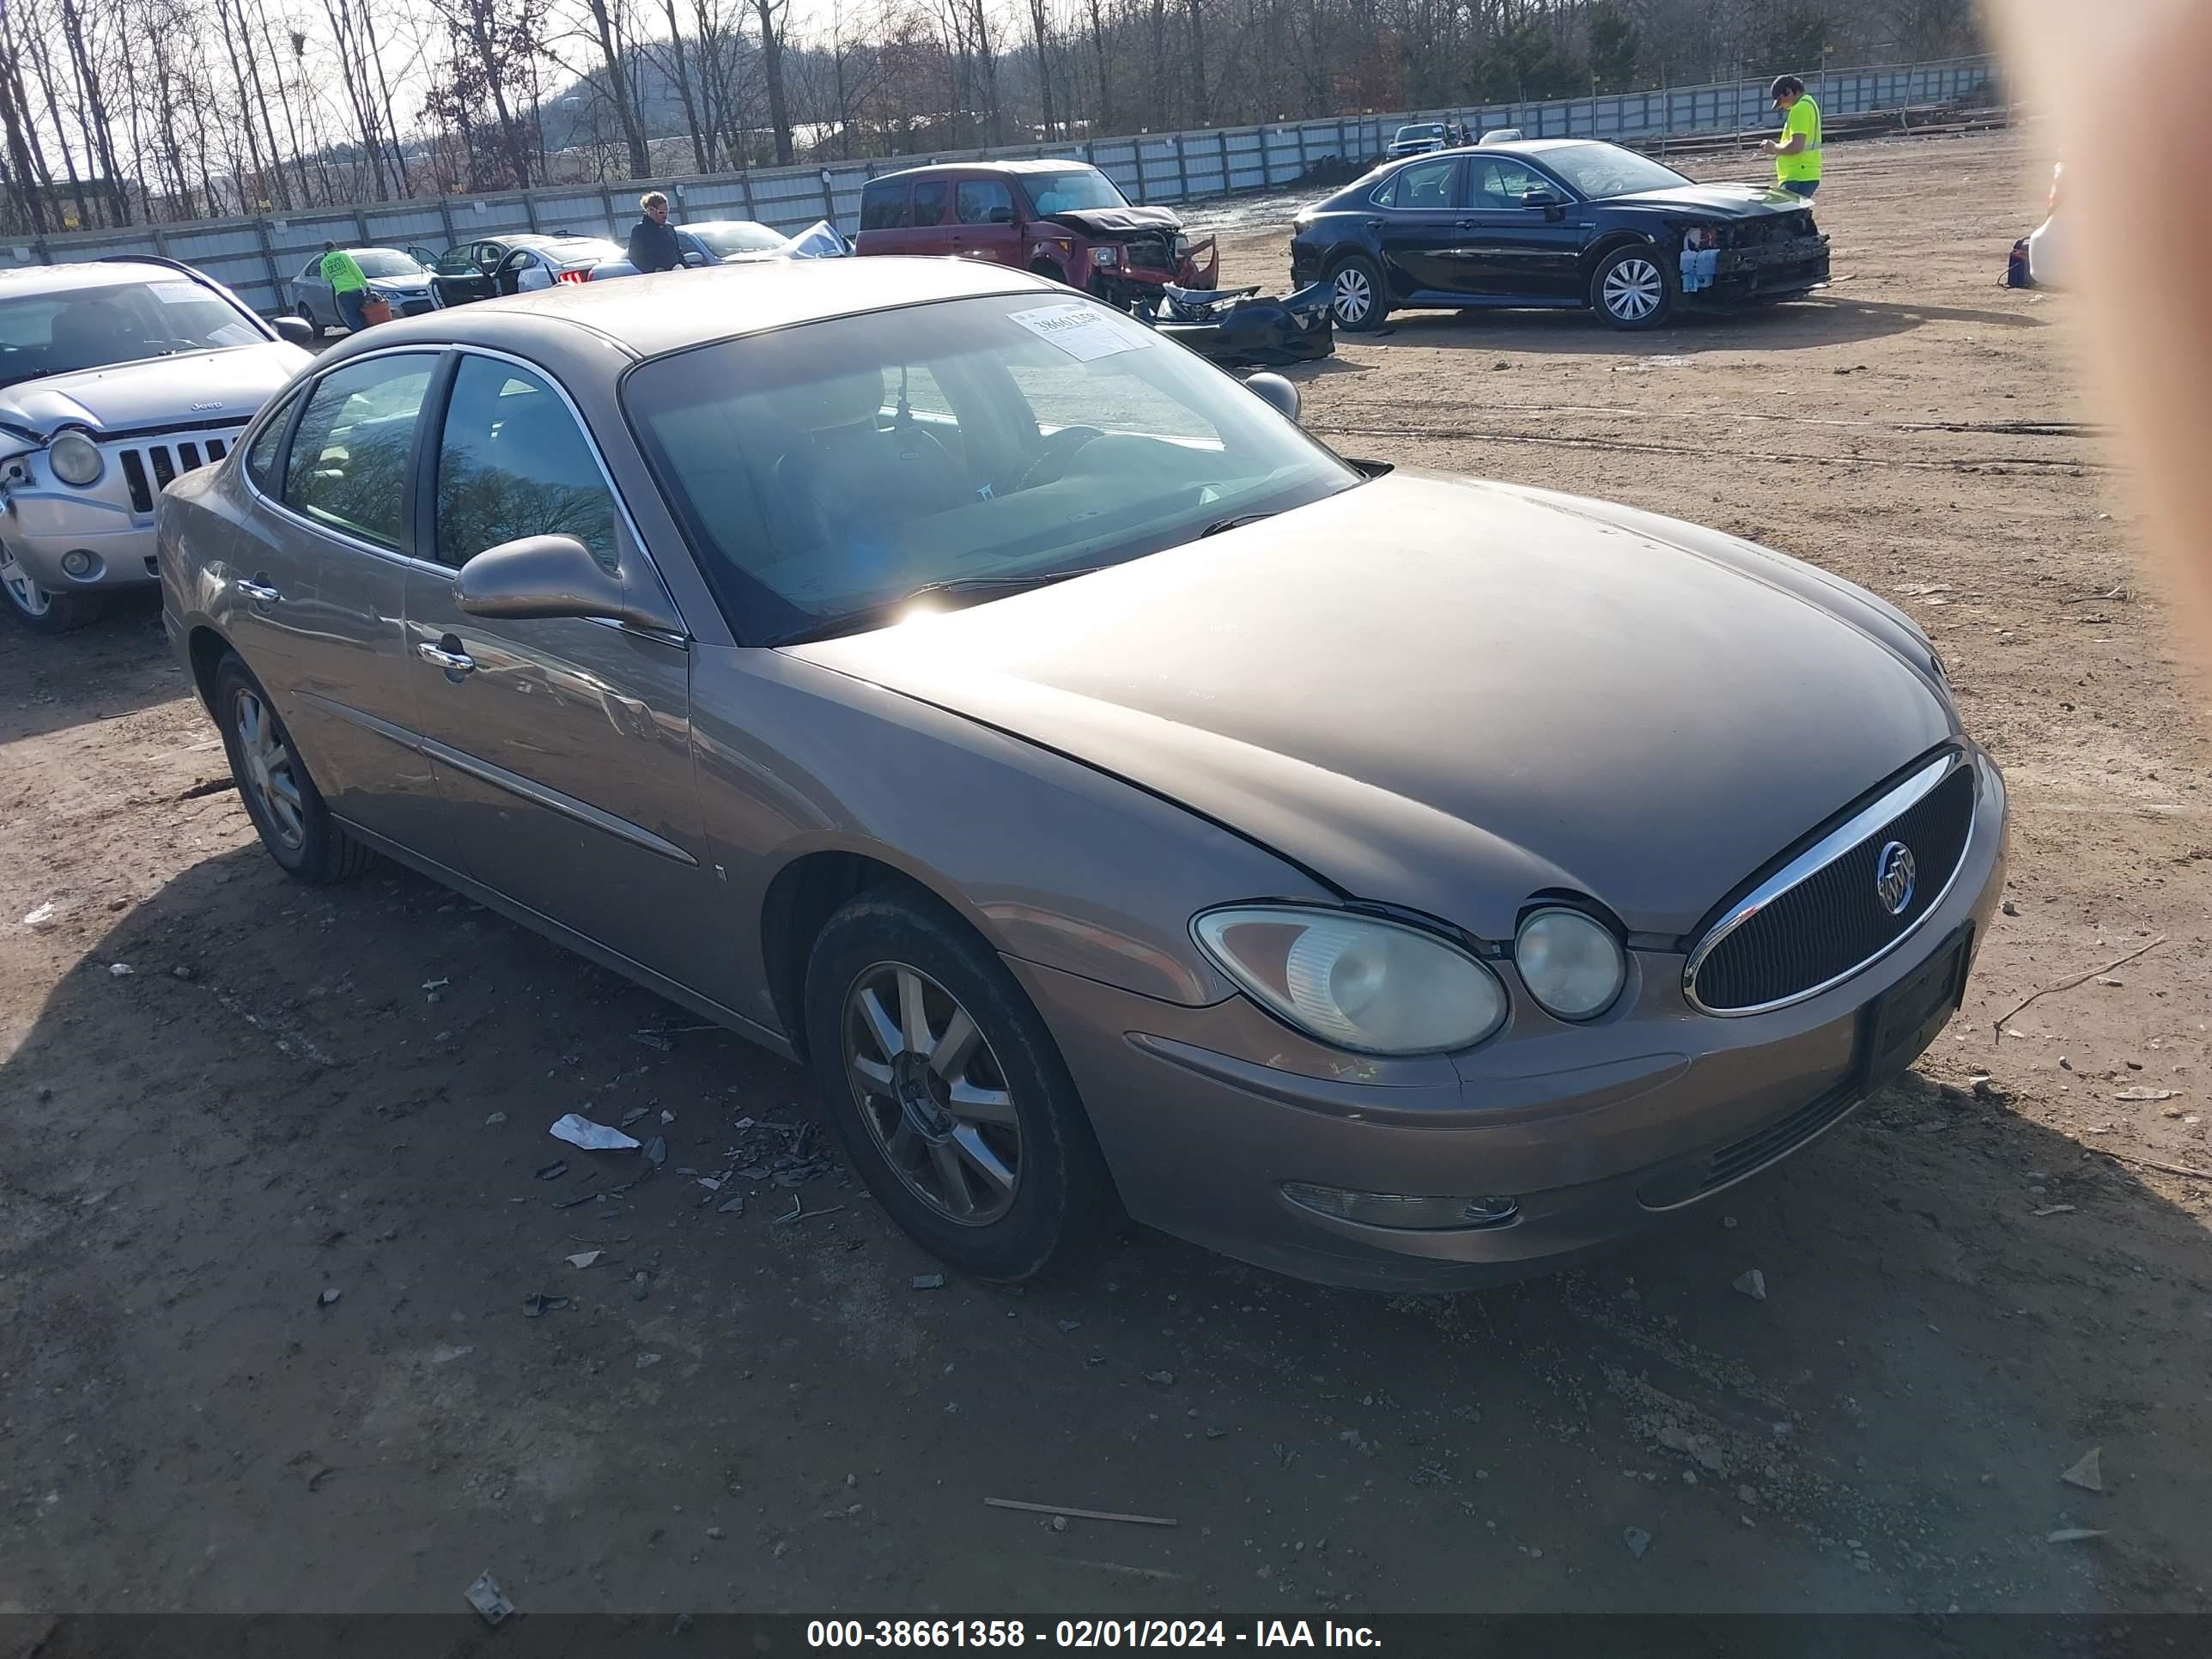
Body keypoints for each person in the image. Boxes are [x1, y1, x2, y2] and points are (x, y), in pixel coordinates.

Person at [1762, 75, 1822, 198]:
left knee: (1785, 215)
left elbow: (1796, 146)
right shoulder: (1809, 103)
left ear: (1788, 91)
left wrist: (1773, 148)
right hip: (1806, 173)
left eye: (1780, 100)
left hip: (1797, 176)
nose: (1781, 106)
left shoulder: (1799, 109)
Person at [318, 240, 370, 332]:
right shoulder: (344, 256)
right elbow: (356, 270)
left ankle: (358, 334)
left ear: (326, 250)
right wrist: (366, 284)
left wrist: (333, 274)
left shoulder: (324, 262)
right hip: (355, 289)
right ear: (335, 247)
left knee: (351, 315)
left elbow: (324, 278)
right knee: (362, 312)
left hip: (342, 292)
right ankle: (367, 332)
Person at [626, 191, 682, 274]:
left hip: (676, 275)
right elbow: (635, 257)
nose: (665, 215)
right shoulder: (640, 230)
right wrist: (654, 269)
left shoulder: (669, 228)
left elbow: (678, 253)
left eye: (667, 211)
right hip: (653, 279)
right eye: (661, 212)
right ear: (650, 210)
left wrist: (690, 270)